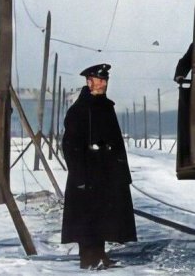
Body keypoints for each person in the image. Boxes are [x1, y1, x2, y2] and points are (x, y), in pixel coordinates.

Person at [61, 63, 136, 270]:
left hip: (107, 174)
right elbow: (69, 146)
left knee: (103, 216)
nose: (102, 84)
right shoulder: (79, 110)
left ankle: (100, 254)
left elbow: (117, 142)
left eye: (104, 81)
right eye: (98, 80)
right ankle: (88, 259)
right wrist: (79, 177)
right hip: (87, 174)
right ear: (88, 81)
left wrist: (123, 174)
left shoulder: (107, 107)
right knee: (87, 218)